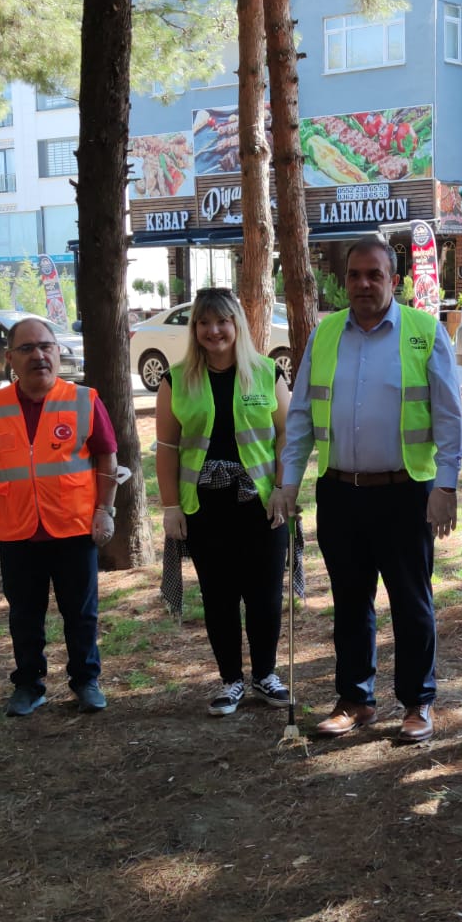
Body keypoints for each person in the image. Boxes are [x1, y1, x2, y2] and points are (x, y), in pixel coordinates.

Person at [269, 236, 462, 743]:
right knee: (351, 601)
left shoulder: (423, 331)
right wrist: (289, 482)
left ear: (393, 280)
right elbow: (300, 416)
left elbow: (448, 416)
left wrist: (446, 485)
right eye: (354, 275)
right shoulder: (326, 333)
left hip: (406, 494)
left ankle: (418, 703)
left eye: (374, 274)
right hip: (340, 493)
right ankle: (355, 699)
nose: (363, 284)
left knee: (411, 602)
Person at [0, 316, 120, 716]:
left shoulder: (83, 399)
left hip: (73, 527)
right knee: (24, 616)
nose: (39, 355)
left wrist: (105, 510)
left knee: (80, 613)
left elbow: (107, 457)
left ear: (58, 352)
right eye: (27, 349)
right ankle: (29, 684)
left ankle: (86, 681)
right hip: (18, 529)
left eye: (46, 346)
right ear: (10, 358)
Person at [154, 288, 293, 716]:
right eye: (203, 323)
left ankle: (265, 674)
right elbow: (166, 446)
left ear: (237, 326)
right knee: (218, 597)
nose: (213, 331)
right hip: (205, 509)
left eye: (222, 322)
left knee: (265, 595)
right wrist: (171, 507)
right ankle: (231, 679)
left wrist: (284, 491)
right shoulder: (176, 380)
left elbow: (288, 436)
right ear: (195, 329)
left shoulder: (268, 373)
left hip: (262, 506)